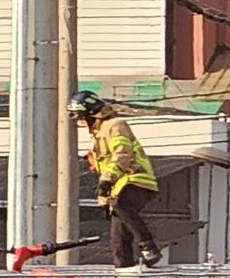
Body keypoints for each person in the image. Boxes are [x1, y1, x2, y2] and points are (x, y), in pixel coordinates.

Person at [68, 90, 163, 267]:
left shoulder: (115, 125)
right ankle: (124, 272)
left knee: (123, 207)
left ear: (90, 113)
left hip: (136, 179)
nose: (79, 121)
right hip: (119, 186)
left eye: (80, 116)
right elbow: (104, 169)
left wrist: (107, 181)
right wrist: (104, 201)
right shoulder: (98, 136)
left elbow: (122, 154)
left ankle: (148, 246)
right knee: (118, 238)